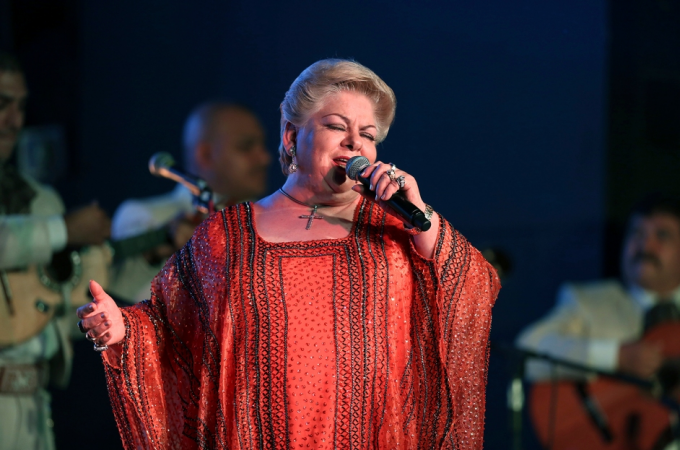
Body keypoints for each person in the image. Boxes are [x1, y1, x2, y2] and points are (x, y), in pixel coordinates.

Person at [77, 59, 500, 450]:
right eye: (338, 126)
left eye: (368, 135)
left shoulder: (397, 228)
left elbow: (475, 286)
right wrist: (123, 331)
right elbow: (169, 328)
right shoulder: (227, 234)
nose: (356, 142)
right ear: (292, 136)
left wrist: (420, 214)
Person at [0, 52, 110, 450]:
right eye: (2, 104)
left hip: (30, 405)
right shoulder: (52, 216)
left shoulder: (41, 199)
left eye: (21, 106)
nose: (14, 120)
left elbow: (50, 308)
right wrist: (64, 229)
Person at [108, 102, 271, 303]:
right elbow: (122, 305)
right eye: (246, 147)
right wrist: (158, 253)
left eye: (262, 145)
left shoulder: (269, 221)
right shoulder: (143, 216)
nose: (264, 158)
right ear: (205, 155)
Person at [516, 194, 680, 382]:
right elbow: (527, 353)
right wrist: (616, 357)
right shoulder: (590, 302)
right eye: (637, 233)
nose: (646, 245)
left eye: (662, 235)